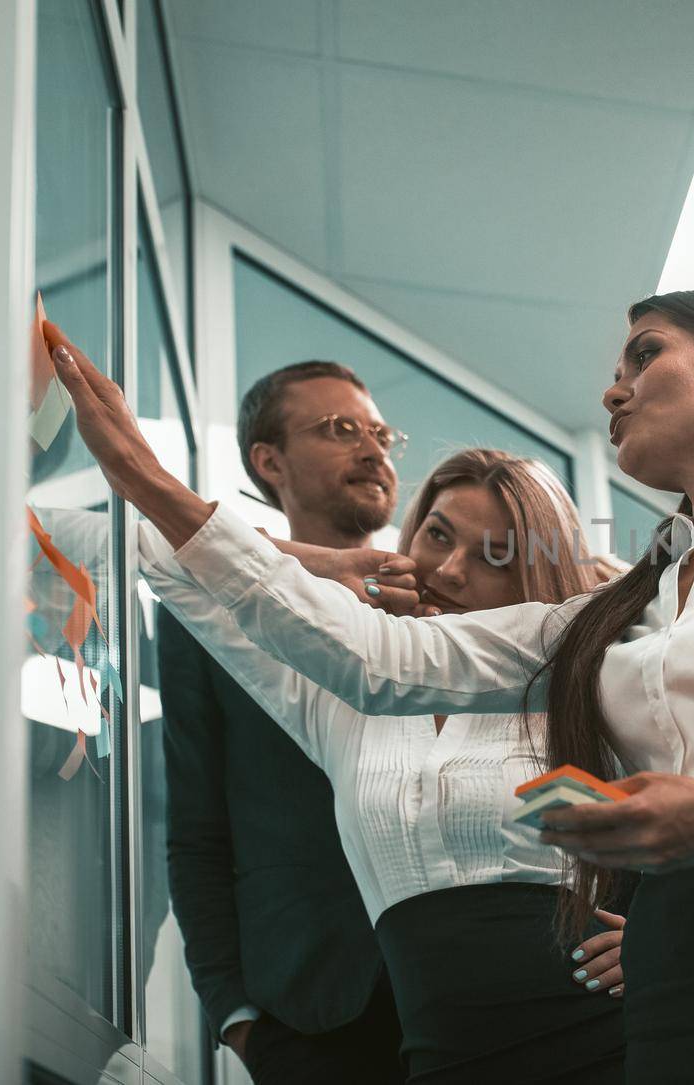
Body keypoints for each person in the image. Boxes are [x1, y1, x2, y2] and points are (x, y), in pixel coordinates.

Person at [42, 290, 694, 1083]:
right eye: (612, 370)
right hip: (673, 1010)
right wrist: (146, 480)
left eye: (645, 354)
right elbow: (381, 664)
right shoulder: (621, 613)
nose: (612, 390)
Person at [50, 446, 629, 1081]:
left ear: (535, 576)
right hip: (435, 1053)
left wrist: (660, 938)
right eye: (439, 535)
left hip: (597, 1037)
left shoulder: (585, 689)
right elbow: (141, 555)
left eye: (497, 555)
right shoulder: (345, 692)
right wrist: (318, 561)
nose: (453, 570)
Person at [162, 361, 405, 1083]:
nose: (373, 449)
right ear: (269, 461)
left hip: (466, 990)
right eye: (339, 430)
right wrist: (231, 1008)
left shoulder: (448, 606)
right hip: (310, 1008)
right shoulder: (212, 611)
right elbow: (197, 828)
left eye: (380, 432)